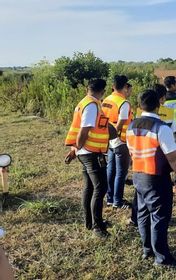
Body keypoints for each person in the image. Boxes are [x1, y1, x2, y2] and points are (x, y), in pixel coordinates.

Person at [126, 89, 176, 268]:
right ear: (158, 105)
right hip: (156, 177)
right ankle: (162, 258)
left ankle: (148, 250)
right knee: (160, 217)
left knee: (143, 214)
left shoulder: (132, 126)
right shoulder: (161, 128)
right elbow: (173, 157)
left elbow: (131, 151)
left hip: (138, 175)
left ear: (139, 105)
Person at [65, 79, 110, 237]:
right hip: (90, 152)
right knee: (100, 187)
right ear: (103, 91)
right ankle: (97, 227)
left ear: (87, 89)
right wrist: (78, 147)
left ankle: (90, 222)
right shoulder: (92, 105)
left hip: (86, 151)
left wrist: (75, 150)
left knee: (90, 187)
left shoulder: (84, 102)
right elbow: (83, 130)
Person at [102, 75, 132, 209]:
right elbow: (120, 123)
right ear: (125, 86)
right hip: (120, 140)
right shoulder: (123, 103)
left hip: (109, 140)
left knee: (111, 169)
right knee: (121, 172)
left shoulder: (106, 100)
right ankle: (118, 202)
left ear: (113, 86)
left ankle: (110, 198)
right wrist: (115, 135)